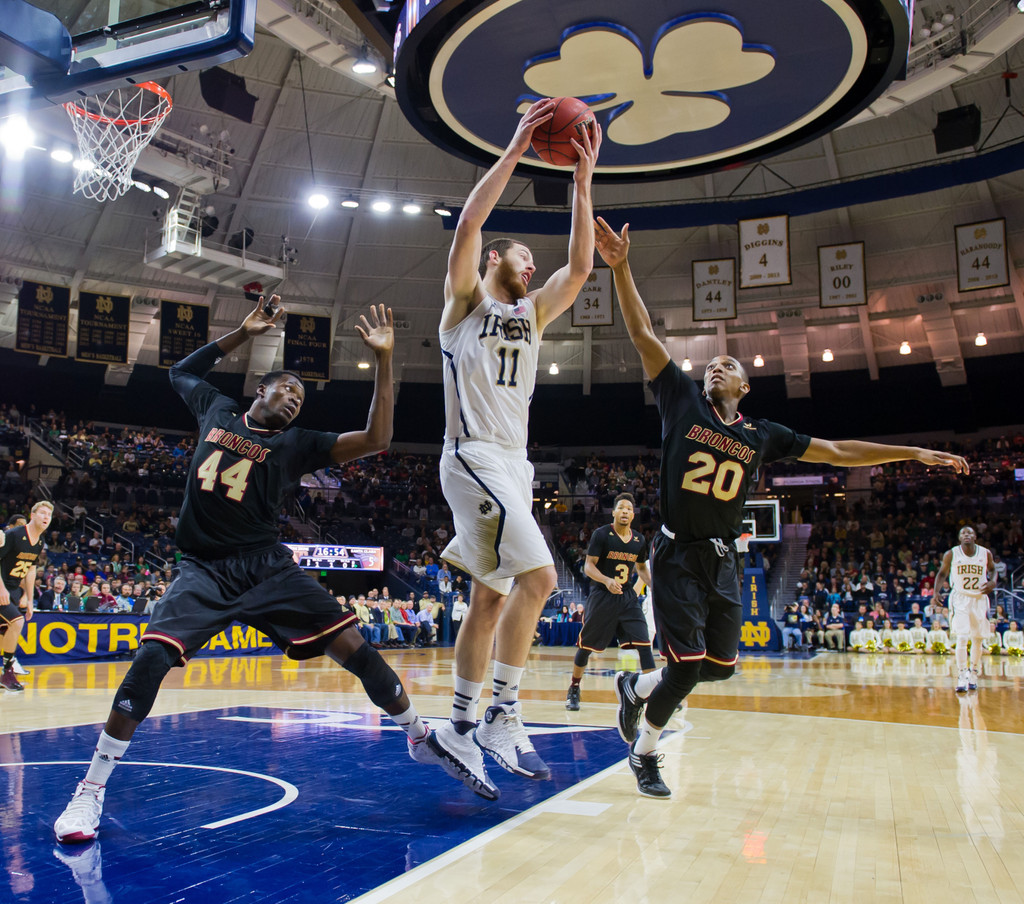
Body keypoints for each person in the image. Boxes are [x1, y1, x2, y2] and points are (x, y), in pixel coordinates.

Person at [593, 218, 970, 798]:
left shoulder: (762, 433)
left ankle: (637, 687)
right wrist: (620, 267)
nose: (717, 365)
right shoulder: (680, 400)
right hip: (675, 554)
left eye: (730, 366)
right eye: (712, 363)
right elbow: (643, 331)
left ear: (745, 386)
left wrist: (912, 450)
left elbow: (841, 451)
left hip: (720, 560)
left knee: (718, 667)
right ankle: (645, 754)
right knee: (689, 667)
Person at [53, 298, 451, 845]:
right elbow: (179, 371)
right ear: (260, 389)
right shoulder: (215, 409)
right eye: (287, 389)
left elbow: (378, 439)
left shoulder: (297, 445)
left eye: (302, 397)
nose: (293, 400)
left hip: (267, 569)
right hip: (203, 570)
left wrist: (384, 361)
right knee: (150, 660)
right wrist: (241, 333)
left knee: (355, 647)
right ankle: (91, 791)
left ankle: (417, 733)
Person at [431, 100, 601, 800]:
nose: (534, 266)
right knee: (541, 582)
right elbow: (469, 223)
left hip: (513, 465)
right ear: (496, 260)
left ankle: (460, 727)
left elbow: (583, 268)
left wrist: (584, 186)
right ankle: (504, 711)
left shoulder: (532, 315)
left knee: (490, 601)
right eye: (523, 256)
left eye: (536, 261)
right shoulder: (465, 305)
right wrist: (514, 147)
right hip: (472, 454)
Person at [565, 493, 653, 712]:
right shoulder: (601, 534)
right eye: (621, 508)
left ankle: (655, 692)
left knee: (644, 645)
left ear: (633, 515)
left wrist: (656, 588)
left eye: (629, 509)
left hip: (627, 598)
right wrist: (606, 580)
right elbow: (588, 566)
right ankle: (574, 687)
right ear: (613, 512)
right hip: (602, 596)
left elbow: (641, 568)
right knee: (586, 648)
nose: (625, 511)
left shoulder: (639, 540)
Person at [935, 525, 996, 693]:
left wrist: (993, 581)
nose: (966, 535)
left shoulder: (985, 553)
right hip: (960, 598)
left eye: (970, 532)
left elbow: (992, 570)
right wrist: (935, 592)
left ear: (975, 536)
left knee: (977, 639)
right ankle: (962, 674)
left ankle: (974, 673)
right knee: (962, 637)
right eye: (963, 533)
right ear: (959, 538)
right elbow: (941, 574)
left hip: (979, 598)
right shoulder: (952, 554)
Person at [0, 501, 52, 689]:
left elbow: (30, 569)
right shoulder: (13, 535)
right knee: (16, 622)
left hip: (13, 588)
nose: (46, 517)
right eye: (43, 513)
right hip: (2, 586)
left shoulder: (40, 541)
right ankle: (7, 673)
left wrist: (29, 599)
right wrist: (1, 589)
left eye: (49, 515)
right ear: (33, 515)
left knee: (5, 632)